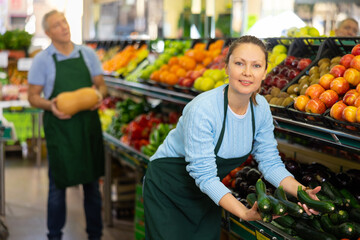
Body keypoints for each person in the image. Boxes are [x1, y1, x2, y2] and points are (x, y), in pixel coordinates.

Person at [143, 35, 321, 240]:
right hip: (168, 189)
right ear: (226, 67)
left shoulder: (261, 108)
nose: (247, 72)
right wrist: (244, 212)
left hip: (207, 194)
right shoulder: (203, 109)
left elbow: (270, 163)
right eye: (239, 63)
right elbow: (205, 175)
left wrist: (302, 192)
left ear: (265, 72)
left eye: (256, 65)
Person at [28, 10, 107, 240]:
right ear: (48, 32)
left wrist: (99, 97)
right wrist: (50, 105)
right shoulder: (42, 60)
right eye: (57, 25)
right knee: (57, 187)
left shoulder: (88, 54)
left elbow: (101, 86)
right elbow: (33, 96)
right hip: (61, 131)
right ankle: (54, 235)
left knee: (92, 187)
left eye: (64, 22)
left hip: (87, 128)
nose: (64, 27)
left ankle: (96, 235)